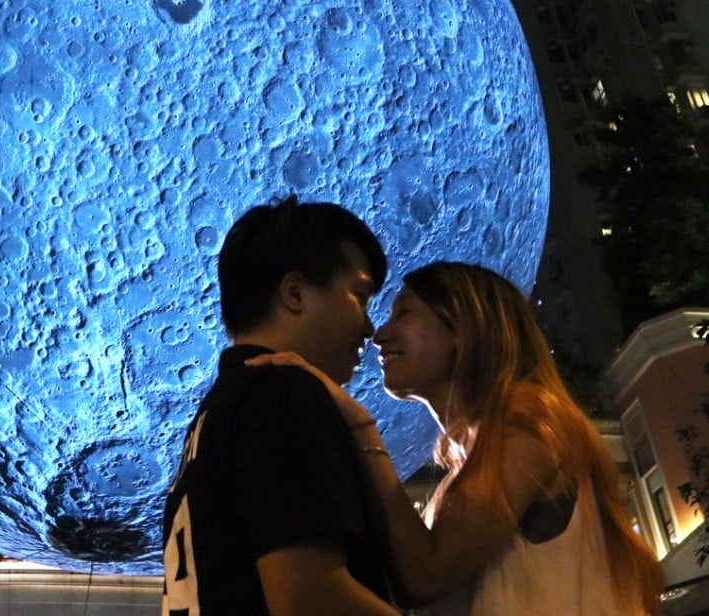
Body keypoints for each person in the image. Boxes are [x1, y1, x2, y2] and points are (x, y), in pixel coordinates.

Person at [249, 261, 663, 615]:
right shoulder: (467, 466)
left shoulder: (532, 421)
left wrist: (359, 425)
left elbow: (427, 574)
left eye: (404, 314)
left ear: (463, 328)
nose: (380, 334)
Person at [161, 195, 402, 615]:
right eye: (360, 296)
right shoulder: (283, 395)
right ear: (295, 292)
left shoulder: (218, 412)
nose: (369, 327)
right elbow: (309, 597)